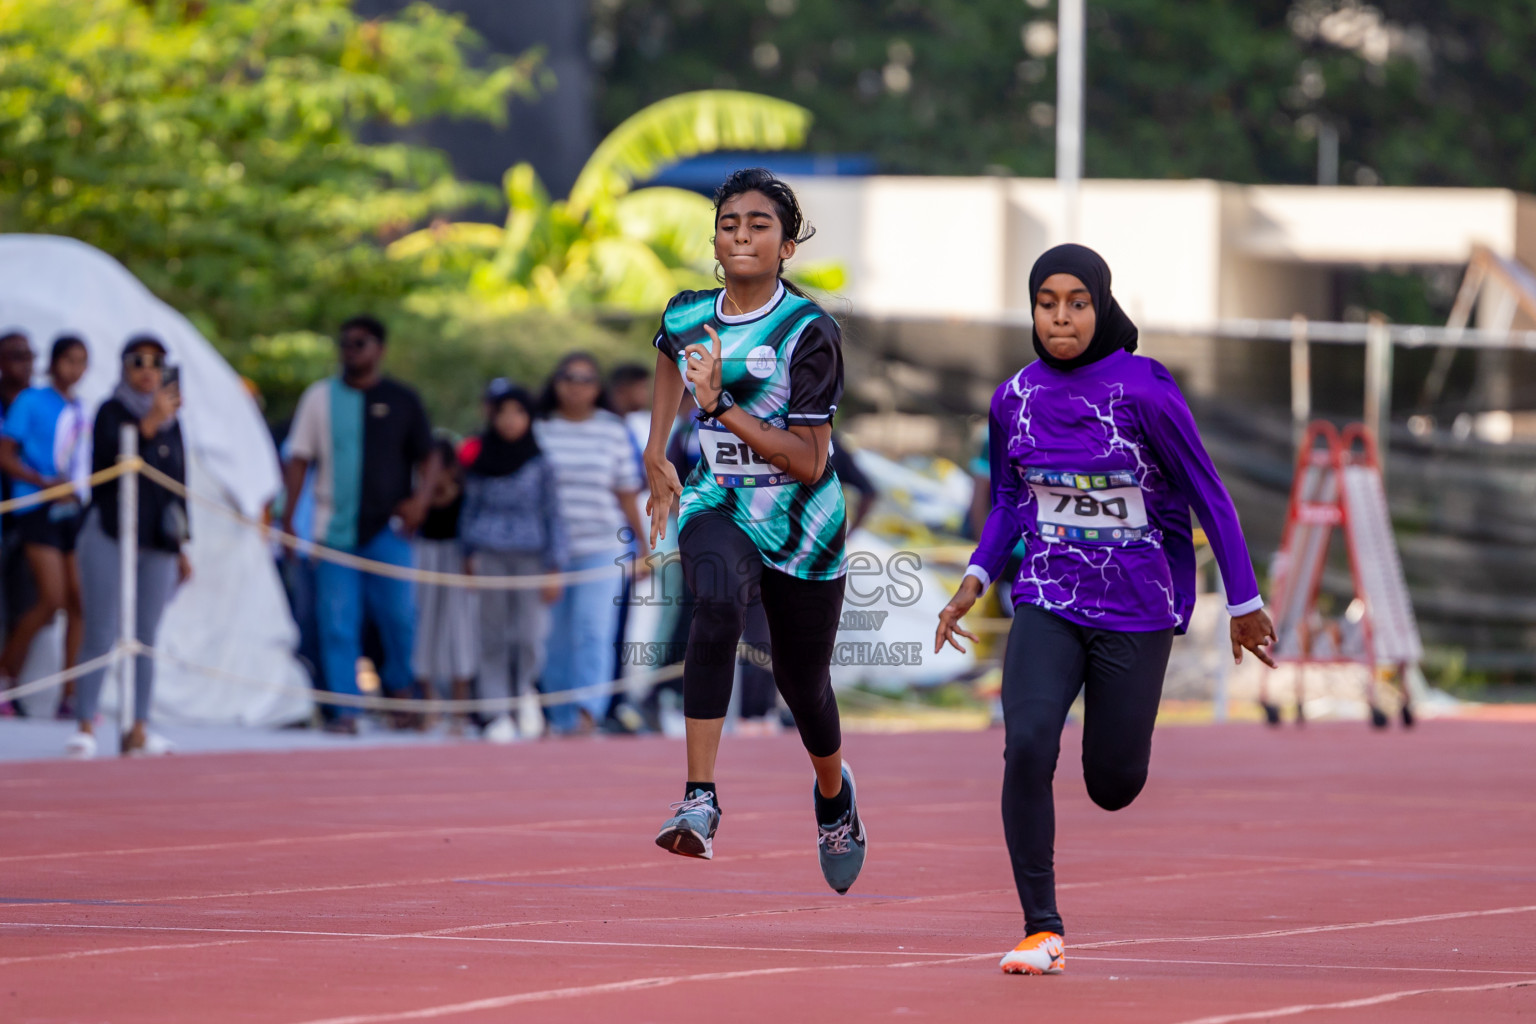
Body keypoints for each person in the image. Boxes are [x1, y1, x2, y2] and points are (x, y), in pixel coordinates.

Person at [933, 244, 1277, 975]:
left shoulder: (1145, 392)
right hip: (1047, 599)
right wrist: (975, 577)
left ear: (1101, 306)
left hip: (1135, 608)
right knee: (1025, 744)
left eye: (1076, 302)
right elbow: (1008, 501)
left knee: (1113, 784)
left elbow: (1210, 496)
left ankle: (1111, 765)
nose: (1061, 316)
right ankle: (1041, 927)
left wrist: (1244, 602)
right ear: (1032, 309)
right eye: (1047, 302)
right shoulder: (1012, 399)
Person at [643, 167, 867, 893]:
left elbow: (807, 463)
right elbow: (667, 357)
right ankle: (699, 799)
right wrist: (655, 450)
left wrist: (720, 410)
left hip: (805, 525)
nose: (741, 234)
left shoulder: (808, 333)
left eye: (759, 224)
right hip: (721, 501)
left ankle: (834, 797)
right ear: (714, 238)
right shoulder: (685, 314)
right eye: (730, 222)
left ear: (787, 246)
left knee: (804, 685)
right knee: (714, 606)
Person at [281, 314, 439, 735]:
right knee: (336, 620)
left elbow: (430, 454)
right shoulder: (320, 397)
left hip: (390, 529)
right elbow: (298, 458)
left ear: (379, 349)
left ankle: (401, 691)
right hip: (335, 529)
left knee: (400, 617)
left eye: (361, 343)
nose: (351, 351)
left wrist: (420, 501)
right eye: (345, 343)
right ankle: (345, 708)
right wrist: (288, 519)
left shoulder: (403, 399)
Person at [68, 335, 191, 758]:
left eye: (156, 362)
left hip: (158, 537)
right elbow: (107, 465)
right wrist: (150, 424)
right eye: (138, 361)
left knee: (146, 635)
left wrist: (184, 544)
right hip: (110, 529)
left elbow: (179, 481)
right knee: (100, 629)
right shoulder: (111, 410)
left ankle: (138, 727)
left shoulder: (175, 420)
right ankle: (85, 723)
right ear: (123, 366)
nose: (147, 370)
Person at [533, 352, 646, 735]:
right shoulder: (540, 429)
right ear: (555, 383)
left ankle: (587, 714)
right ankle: (556, 716)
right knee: (553, 636)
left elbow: (627, 493)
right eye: (568, 378)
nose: (576, 387)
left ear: (597, 388)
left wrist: (646, 548)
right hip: (551, 552)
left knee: (594, 630)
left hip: (602, 546)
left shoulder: (613, 429)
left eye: (585, 379)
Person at [461, 381, 566, 743]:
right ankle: (494, 710)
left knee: (528, 635)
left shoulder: (541, 462)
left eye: (518, 412)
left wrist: (555, 566)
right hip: (489, 554)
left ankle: (522, 696)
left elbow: (554, 515)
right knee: (491, 634)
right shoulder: (480, 459)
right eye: (502, 413)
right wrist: (468, 556)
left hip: (531, 558)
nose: (509, 421)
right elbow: (469, 509)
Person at [0, 336, 90, 697]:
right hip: (36, 508)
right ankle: (7, 676)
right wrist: (43, 482)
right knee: (51, 598)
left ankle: (71, 695)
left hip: (71, 509)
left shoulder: (80, 408)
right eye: (68, 360)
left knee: (77, 600)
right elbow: (6, 454)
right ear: (52, 363)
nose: (75, 369)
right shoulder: (31, 402)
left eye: (82, 361)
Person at [411, 436, 475, 733]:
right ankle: (428, 704)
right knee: (424, 630)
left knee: (457, 631)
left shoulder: (466, 493)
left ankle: (459, 711)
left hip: (456, 560)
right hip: (423, 558)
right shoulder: (415, 499)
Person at [0, 329, 35, 715]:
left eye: (27, 356)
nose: (23, 364)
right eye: (14, 356)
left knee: (28, 604)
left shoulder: (35, 404)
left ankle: (10, 683)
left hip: (27, 520)